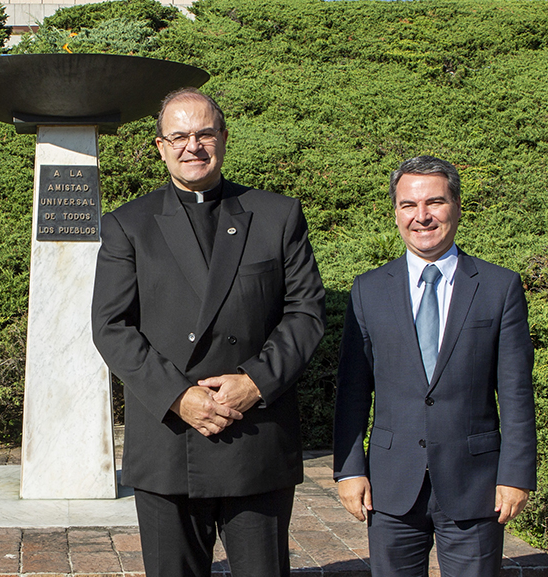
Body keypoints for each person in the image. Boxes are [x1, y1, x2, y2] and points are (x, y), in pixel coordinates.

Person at [91, 87, 326, 577]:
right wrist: (178, 395)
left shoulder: (277, 215)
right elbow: (112, 327)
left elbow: (304, 313)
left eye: (203, 133)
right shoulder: (128, 225)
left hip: (256, 437)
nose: (191, 145)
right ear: (160, 146)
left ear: (223, 137)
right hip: (169, 441)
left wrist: (255, 381)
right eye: (178, 135)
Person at [333, 155, 536, 576]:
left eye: (435, 203)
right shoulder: (368, 290)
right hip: (390, 488)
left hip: (475, 485)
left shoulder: (500, 288)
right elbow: (352, 389)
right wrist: (349, 469)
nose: (421, 216)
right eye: (408, 205)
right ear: (395, 213)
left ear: (457, 207)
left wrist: (516, 474)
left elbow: (515, 390)